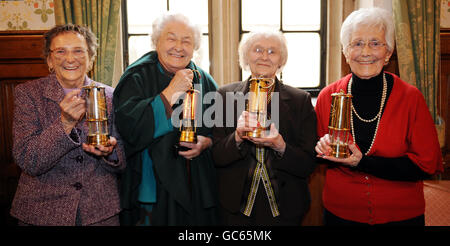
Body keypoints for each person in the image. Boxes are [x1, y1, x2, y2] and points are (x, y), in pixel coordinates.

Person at [315, 7, 443, 226]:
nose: (366, 51)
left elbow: (426, 165)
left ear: (388, 52)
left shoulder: (411, 98)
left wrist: (363, 162)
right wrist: (320, 147)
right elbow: (320, 157)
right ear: (346, 52)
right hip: (341, 214)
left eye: (375, 43)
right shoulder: (328, 96)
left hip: (401, 217)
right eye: (357, 43)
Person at [10, 24, 126, 226]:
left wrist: (111, 152)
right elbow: (28, 160)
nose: (70, 59)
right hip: (41, 212)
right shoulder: (28, 94)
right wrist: (65, 123)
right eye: (61, 51)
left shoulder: (110, 96)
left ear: (90, 59)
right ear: (49, 60)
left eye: (78, 51)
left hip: (99, 212)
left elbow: (123, 160)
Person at [113, 12, 220, 226]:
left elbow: (219, 131)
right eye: (171, 38)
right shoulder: (136, 76)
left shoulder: (204, 80)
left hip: (195, 184)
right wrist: (169, 93)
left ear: (195, 46)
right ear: (156, 41)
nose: (178, 47)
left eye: (186, 40)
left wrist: (206, 143)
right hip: (151, 188)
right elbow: (128, 128)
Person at [212, 30, 317, 225]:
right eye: (257, 50)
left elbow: (308, 164)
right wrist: (237, 136)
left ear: (281, 60)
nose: (264, 56)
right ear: (246, 56)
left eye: (272, 51)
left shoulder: (300, 100)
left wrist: (281, 146)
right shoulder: (224, 96)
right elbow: (216, 156)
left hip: (286, 208)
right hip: (234, 209)